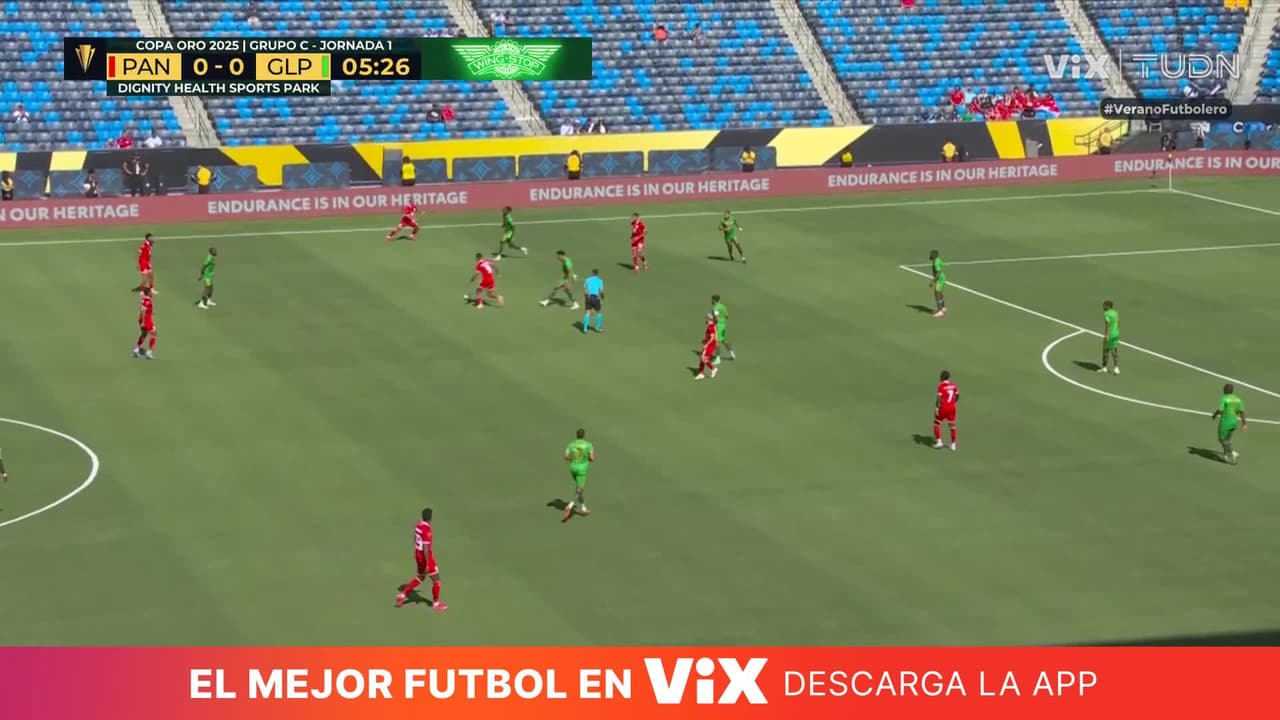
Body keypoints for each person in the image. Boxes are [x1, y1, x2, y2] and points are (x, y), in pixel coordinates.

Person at [395, 507, 447, 611]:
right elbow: (426, 548)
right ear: (430, 518)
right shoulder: (427, 530)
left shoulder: (418, 525)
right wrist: (427, 564)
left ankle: (403, 594)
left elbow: (415, 539)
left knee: (420, 577)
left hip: (418, 554)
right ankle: (436, 604)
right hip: (425, 557)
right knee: (436, 580)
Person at [563, 428, 595, 521]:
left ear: (576, 435)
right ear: (584, 435)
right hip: (581, 471)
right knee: (579, 490)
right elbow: (592, 458)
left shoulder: (570, 444)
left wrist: (573, 459)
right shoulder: (588, 445)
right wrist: (587, 458)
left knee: (579, 489)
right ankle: (569, 506)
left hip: (573, 469)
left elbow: (566, 457)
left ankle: (584, 509)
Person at [1211, 384, 1247, 464]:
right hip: (1234, 423)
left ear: (1225, 390)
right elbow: (1242, 412)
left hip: (1226, 422)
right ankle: (1230, 452)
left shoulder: (1224, 398)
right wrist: (1244, 424)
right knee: (1228, 439)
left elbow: (1220, 410)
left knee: (1222, 439)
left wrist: (1215, 414)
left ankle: (1230, 456)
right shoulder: (1238, 399)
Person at [933, 370, 959, 450]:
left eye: (941, 376)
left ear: (942, 377)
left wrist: (937, 408)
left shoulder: (941, 386)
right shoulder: (953, 385)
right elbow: (957, 395)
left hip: (944, 408)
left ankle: (939, 442)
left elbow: (938, 398)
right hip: (952, 408)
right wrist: (954, 402)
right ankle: (953, 445)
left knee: (937, 423)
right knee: (952, 426)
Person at [133, 286, 157, 359]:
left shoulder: (144, 299)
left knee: (144, 335)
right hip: (146, 320)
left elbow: (144, 309)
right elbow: (143, 310)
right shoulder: (147, 301)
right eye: (150, 292)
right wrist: (143, 321)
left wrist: (151, 312)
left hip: (144, 319)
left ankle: (136, 350)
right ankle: (149, 353)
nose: (151, 293)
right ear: (148, 293)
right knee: (154, 335)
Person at [694, 312, 719, 380]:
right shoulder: (712, 325)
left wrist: (706, 344)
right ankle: (701, 373)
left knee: (703, 358)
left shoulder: (711, 327)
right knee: (702, 356)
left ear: (709, 319)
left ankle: (713, 368)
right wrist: (705, 340)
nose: (705, 319)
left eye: (706, 318)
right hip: (711, 344)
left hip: (710, 345)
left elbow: (712, 337)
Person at [710, 294, 734, 363]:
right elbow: (727, 316)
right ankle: (732, 354)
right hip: (723, 325)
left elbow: (716, 318)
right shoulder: (723, 306)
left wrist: (712, 320)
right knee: (723, 340)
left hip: (718, 326)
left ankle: (718, 358)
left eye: (712, 299)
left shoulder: (715, 308)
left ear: (714, 300)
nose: (711, 301)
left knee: (716, 341)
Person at [1099, 300, 1119, 374]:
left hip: (1110, 334)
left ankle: (1104, 367)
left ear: (1108, 306)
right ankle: (1116, 368)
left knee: (1105, 350)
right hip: (1116, 333)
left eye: (1104, 305)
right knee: (1114, 350)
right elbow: (1118, 322)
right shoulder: (1115, 312)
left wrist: (1106, 335)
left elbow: (1107, 324)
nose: (1103, 307)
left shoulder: (1106, 313)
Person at [928, 249, 947, 317]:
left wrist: (933, 281)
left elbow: (938, 272)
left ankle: (940, 311)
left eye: (931, 254)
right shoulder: (938, 260)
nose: (930, 255)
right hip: (942, 278)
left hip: (940, 280)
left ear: (934, 255)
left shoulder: (936, 263)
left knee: (937, 294)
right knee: (940, 293)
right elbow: (942, 265)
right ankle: (943, 308)